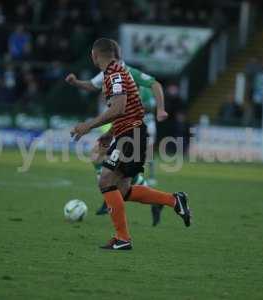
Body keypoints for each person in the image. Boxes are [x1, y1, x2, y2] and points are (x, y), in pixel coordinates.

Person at [71, 38, 191, 250]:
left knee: (105, 181)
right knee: (123, 190)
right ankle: (174, 200)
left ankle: (123, 238)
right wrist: (110, 132)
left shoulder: (115, 74)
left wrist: (88, 126)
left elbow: (118, 108)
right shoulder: (114, 72)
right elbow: (126, 111)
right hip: (130, 132)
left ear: (94, 55)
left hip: (131, 135)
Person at [65, 39, 168, 226]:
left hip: (133, 128)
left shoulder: (123, 72)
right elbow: (93, 85)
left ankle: (123, 204)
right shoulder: (109, 72)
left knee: (118, 174)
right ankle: (149, 202)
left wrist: (160, 109)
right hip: (121, 127)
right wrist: (76, 82)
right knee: (104, 161)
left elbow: (153, 86)